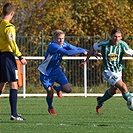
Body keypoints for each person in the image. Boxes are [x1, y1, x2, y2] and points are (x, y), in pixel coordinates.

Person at [38, 29, 92, 115]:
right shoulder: (53, 46)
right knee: (49, 92)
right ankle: (50, 107)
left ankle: (58, 88)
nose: (61, 40)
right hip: (46, 73)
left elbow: (76, 48)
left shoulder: (64, 44)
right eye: (59, 39)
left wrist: (92, 52)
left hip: (57, 71)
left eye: (62, 38)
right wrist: (82, 51)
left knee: (68, 89)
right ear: (54, 39)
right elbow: (67, 52)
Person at [80, 27, 133, 113]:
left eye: (119, 37)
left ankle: (100, 101)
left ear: (121, 37)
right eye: (115, 36)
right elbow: (93, 47)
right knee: (123, 86)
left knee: (113, 91)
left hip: (118, 71)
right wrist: (86, 61)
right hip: (107, 71)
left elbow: (132, 53)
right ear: (111, 36)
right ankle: (131, 100)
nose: (117, 39)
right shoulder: (104, 44)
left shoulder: (123, 45)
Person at [0, 3, 27, 120]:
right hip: (7, 57)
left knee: (1, 84)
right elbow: (12, 43)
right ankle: (14, 114)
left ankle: (14, 113)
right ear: (12, 13)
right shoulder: (8, 27)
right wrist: (20, 56)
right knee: (13, 83)